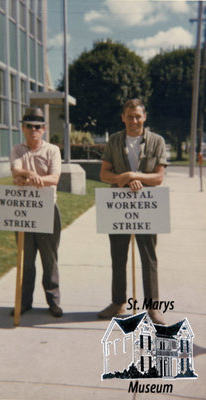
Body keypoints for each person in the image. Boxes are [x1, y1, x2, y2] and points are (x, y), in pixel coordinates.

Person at [98, 98, 167, 324]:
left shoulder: (157, 141)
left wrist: (134, 176)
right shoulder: (115, 141)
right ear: (123, 118)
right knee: (118, 256)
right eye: (130, 116)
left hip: (147, 206)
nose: (134, 120)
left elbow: (158, 177)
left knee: (149, 257)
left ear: (144, 117)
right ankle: (118, 302)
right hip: (119, 206)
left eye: (138, 116)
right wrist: (122, 179)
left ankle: (153, 307)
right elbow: (104, 174)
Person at [10, 107, 63, 318]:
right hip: (23, 209)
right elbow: (15, 171)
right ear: (23, 128)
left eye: (38, 126)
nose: (34, 130)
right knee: (26, 257)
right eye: (29, 126)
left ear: (44, 129)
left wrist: (29, 179)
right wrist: (30, 173)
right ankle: (24, 302)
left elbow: (54, 178)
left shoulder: (52, 150)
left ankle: (54, 302)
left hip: (47, 209)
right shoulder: (17, 150)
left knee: (49, 258)